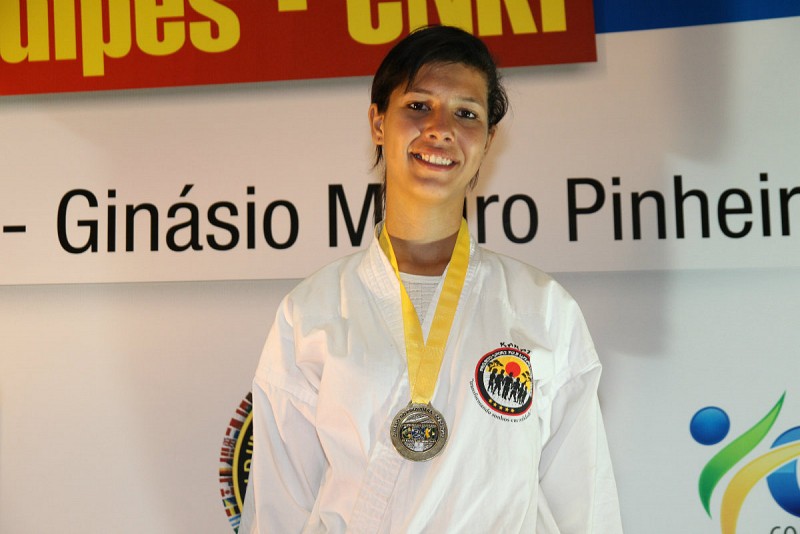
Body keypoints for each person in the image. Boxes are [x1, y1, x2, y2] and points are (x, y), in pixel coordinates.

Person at [240, 25, 623, 533]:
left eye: (466, 113)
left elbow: (585, 507)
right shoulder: (312, 312)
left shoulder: (543, 308)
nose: (440, 129)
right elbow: (278, 508)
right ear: (378, 123)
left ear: (488, 141)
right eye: (418, 106)